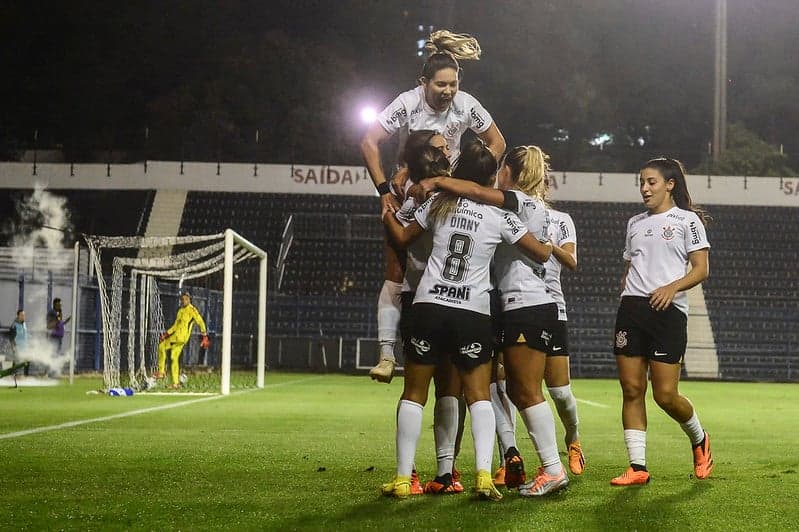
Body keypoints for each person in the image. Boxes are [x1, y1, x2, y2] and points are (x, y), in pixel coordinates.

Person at [380, 141, 552, 500]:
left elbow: (402, 236)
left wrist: (388, 213)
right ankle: (485, 474)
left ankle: (401, 479)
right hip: (473, 311)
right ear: (492, 176)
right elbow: (541, 252)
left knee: (414, 393)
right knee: (478, 396)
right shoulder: (501, 215)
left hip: (429, 305)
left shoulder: (439, 203)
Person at [419, 145, 571, 496]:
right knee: (515, 389)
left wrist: (437, 180)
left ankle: (552, 468)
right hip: (524, 305)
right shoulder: (532, 207)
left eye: (501, 170)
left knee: (526, 391)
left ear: (507, 173)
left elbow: (473, 190)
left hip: (525, 305)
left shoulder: (518, 200)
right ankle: (543, 465)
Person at [361, 29, 506, 383]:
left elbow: (497, 143)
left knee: (465, 266)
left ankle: (490, 349)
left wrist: (467, 180)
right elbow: (369, 140)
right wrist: (384, 190)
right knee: (396, 271)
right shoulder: (408, 102)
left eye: (453, 84)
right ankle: (385, 354)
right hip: (410, 193)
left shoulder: (467, 104)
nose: (448, 91)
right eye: (441, 85)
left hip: (448, 195)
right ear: (423, 82)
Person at [610, 157, 713, 486]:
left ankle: (699, 438)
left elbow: (701, 268)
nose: (644, 188)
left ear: (669, 184)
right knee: (631, 389)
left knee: (665, 394)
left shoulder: (687, 220)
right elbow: (631, 265)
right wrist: (628, 290)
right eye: (641, 182)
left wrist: (672, 287)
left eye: (651, 182)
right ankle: (638, 467)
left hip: (668, 312)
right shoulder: (634, 223)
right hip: (632, 310)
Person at [543, 203, 586, 475]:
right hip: (513, 306)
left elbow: (571, 260)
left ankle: (573, 440)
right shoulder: (508, 210)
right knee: (508, 388)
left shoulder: (560, 220)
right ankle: (508, 459)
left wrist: (547, 245)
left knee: (559, 392)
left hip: (551, 308)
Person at [155, 292, 210, 389]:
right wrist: (167, 333)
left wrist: (204, 335)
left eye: (186, 299)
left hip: (181, 337)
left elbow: (200, 321)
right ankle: (176, 383)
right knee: (173, 358)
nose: (184, 301)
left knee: (162, 346)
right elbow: (176, 326)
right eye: (183, 299)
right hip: (176, 336)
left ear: (189, 300)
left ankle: (161, 372)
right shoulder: (180, 311)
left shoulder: (192, 310)